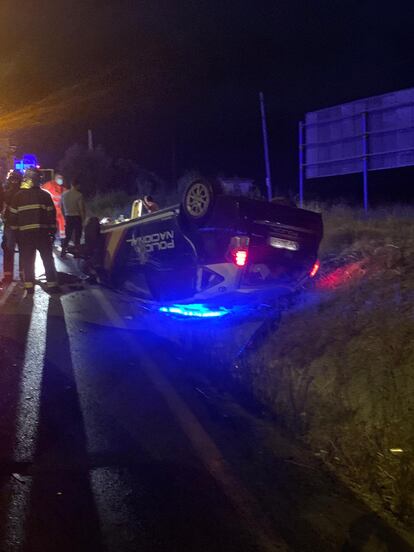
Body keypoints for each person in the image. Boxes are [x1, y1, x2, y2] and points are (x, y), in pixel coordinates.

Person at [8, 168, 59, 294]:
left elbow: (12, 218)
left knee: (27, 260)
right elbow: (51, 216)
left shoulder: (18, 196)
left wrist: (15, 234)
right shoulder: (45, 195)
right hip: (42, 234)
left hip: (25, 235)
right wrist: (52, 232)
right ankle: (52, 284)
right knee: (47, 259)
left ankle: (29, 286)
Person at [1, 170, 23, 284]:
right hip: (22, 226)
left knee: (8, 250)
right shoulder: (24, 192)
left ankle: (8, 276)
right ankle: (24, 275)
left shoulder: (6, 192)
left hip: (9, 225)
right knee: (24, 251)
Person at [60, 178, 86, 258]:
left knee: (68, 236)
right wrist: (83, 219)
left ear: (71, 184)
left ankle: (63, 253)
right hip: (76, 217)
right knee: (77, 237)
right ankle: (77, 253)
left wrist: (65, 216)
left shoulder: (64, 194)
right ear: (77, 185)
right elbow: (81, 209)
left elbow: (61, 207)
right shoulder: (79, 195)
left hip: (68, 217)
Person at [41, 172, 65, 239]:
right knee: (50, 224)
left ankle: (62, 238)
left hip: (59, 210)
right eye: (59, 178)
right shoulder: (49, 185)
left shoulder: (62, 188)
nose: (61, 180)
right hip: (50, 209)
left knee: (61, 223)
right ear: (55, 178)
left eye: (61, 178)